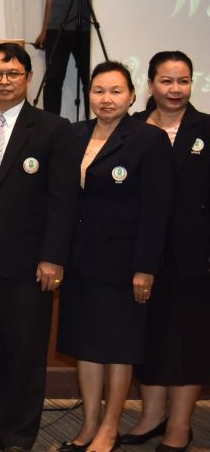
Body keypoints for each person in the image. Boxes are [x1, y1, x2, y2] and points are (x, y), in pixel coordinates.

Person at [0, 43, 77, 452]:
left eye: (13, 73)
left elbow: (62, 201)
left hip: (28, 262)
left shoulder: (53, 129)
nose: (4, 81)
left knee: (24, 351)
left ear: (28, 77)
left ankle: (18, 435)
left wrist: (53, 257)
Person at [56, 61, 172, 452]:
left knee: (118, 347)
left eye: (116, 91)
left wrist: (145, 268)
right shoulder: (74, 134)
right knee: (86, 345)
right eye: (99, 91)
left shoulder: (148, 139)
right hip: (79, 261)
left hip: (124, 265)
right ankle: (89, 424)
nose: (107, 99)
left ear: (133, 96)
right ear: (89, 95)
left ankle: (110, 427)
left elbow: (157, 210)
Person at [118, 51, 206, 452]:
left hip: (192, 256)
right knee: (147, 337)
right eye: (167, 81)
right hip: (137, 253)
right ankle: (152, 417)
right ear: (150, 84)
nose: (175, 89)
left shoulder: (206, 128)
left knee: (187, 341)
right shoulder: (131, 127)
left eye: (183, 81)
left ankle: (181, 425)